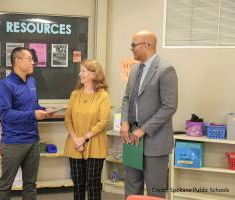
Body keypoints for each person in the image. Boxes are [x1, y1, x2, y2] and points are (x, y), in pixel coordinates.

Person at [120, 30, 178, 198]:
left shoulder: (166, 69)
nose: (131, 48)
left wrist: (143, 129)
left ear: (147, 45)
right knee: (131, 190)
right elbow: (126, 99)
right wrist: (124, 122)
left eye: (134, 45)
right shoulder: (134, 69)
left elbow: (169, 107)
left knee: (155, 192)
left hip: (155, 141)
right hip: (132, 140)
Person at [0, 47, 51, 200]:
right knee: (6, 185)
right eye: (30, 59)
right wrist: (33, 114)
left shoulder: (32, 81)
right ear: (18, 61)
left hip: (33, 140)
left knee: (30, 184)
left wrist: (44, 110)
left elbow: (34, 106)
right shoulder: (5, 85)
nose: (33, 62)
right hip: (13, 142)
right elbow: (6, 115)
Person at [64, 60, 111, 200]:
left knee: (93, 184)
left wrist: (83, 138)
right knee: (78, 184)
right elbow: (68, 119)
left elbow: (103, 122)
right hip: (74, 146)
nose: (80, 74)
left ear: (93, 74)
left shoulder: (103, 96)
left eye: (83, 71)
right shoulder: (75, 94)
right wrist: (75, 139)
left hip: (95, 146)